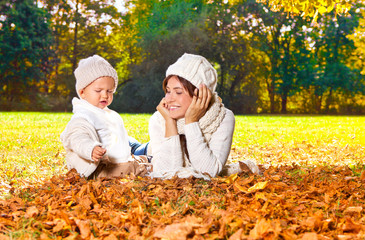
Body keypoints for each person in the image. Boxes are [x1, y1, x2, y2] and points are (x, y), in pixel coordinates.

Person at [148, 53, 259, 180]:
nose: (168, 99)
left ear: (201, 95)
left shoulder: (222, 117)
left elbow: (208, 171)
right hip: (145, 151)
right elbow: (165, 172)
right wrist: (170, 122)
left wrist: (191, 122)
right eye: (168, 91)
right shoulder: (160, 118)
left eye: (178, 92)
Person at [60, 55, 150, 179]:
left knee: (140, 161)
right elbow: (77, 138)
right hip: (102, 168)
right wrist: (90, 149)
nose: (105, 95)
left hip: (120, 162)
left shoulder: (107, 113)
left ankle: (146, 160)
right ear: (82, 92)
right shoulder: (83, 116)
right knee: (140, 168)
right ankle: (150, 166)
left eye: (110, 91)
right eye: (98, 91)